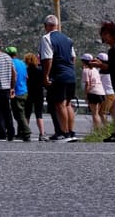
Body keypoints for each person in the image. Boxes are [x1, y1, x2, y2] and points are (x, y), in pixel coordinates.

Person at [39, 14, 78, 142]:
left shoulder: (46, 38)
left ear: (46, 26)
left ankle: (64, 133)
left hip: (58, 75)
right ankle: (71, 132)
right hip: (70, 74)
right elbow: (73, 57)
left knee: (60, 104)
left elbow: (48, 59)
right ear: (57, 25)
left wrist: (45, 75)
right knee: (68, 104)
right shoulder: (67, 39)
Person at [6, 46, 31, 141]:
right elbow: (27, 77)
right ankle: (21, 132)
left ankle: (26, 132)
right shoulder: (22, 63)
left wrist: (12, 88)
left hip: (16, 92)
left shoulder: (10, 63)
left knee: (18, 114)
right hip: (24, 90)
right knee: (21, 113)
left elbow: (13, 77)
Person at [23, 53, 48, 141]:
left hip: (28, 93)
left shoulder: (26, 70)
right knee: (39, 114)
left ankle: (26, 133)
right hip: (39, 93)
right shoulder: (40, 70)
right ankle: (42, 133)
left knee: (27, 114)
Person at [80, 53, 105, 131]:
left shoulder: (85, 70)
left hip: (93, 92)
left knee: (95, 113)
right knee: (99, 113)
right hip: (101, 92)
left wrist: (86, 95)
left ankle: (97, 130)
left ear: (84, 62)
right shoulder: (95, 70)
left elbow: (88, 83)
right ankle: (104, 129)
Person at [96, 52, 115, 124]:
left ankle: (106, 128)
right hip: (113, 94)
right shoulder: (111, 70)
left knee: (102, 113)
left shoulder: (102, 72)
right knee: (113, 112)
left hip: (107, 94)